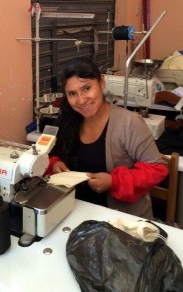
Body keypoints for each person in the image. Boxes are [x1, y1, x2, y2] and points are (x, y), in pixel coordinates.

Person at [45, 58, 168, 219]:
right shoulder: (69, 120)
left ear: (101, 82)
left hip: (120, 221)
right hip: (75, 214)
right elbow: (52, 154)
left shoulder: (129, 123)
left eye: (87, 88)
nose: (81, 100)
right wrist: (55, 164)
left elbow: (157, 169)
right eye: (72, 94)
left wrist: (114, 182)